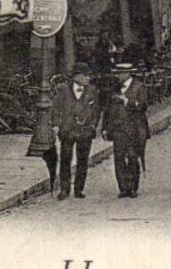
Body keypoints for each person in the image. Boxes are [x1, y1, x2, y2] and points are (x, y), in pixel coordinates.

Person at [51, 66, 101, 200]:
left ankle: (79, 189)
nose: (88, 78)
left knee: (83, 160)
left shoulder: (92, 91)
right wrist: (56, 124)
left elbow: (96, 110)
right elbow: (56, 108)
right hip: (68, 130)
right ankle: (64, 189)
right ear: (76, 77)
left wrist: (93, 125)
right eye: (85, 76)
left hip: (85, 130)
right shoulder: (63, 91)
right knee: (65, 159)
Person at [102, 62, 149, 199]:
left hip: (134, 129)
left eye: (121, 73)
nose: (119, 76)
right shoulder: (113, 89)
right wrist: (105, 128)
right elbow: (107, 109)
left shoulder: (139, 87)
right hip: (118, 129)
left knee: (133, 157)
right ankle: (123, 188)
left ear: (128, 74)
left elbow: (143, 106)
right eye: (117, 74)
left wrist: (126, 101)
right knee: (119, 158)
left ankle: (133, 187)